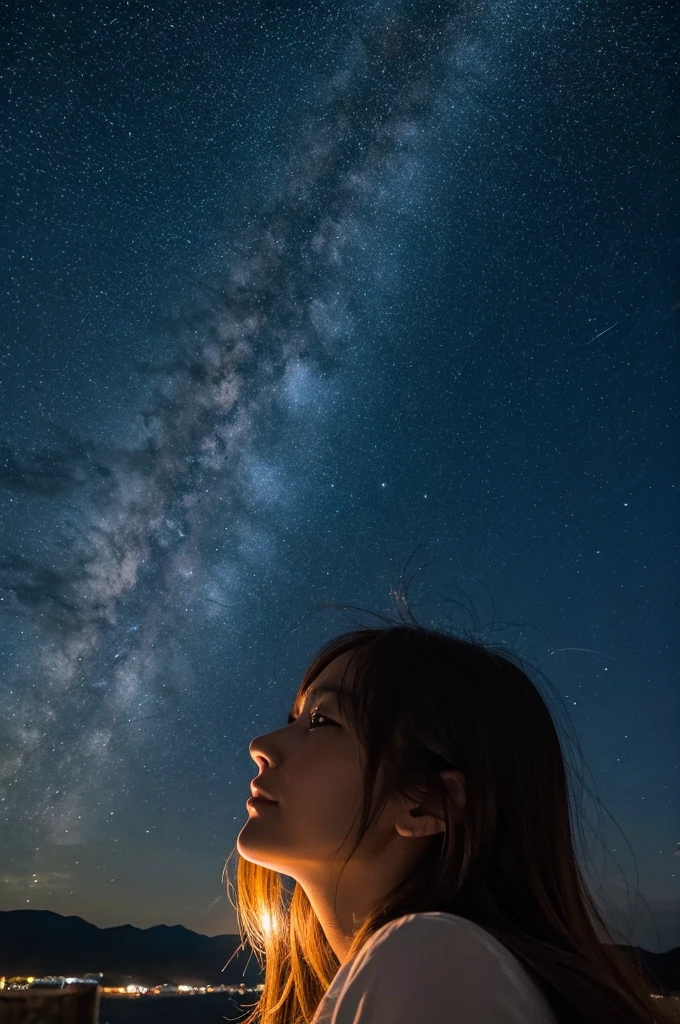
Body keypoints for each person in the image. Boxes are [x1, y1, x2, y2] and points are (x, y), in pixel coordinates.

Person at [230, 621, 670, 1023]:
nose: (261, 744)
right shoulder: (435, 965)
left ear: (426, 806)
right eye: (295, 719)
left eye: (322, 720)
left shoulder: (429, 956)